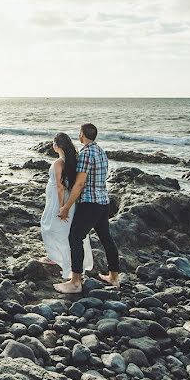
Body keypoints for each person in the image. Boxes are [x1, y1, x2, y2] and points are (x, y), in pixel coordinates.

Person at [54, 123, 120, 294]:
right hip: (104, 202)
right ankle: (114, 277)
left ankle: (75, 282)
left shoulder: (86, 154)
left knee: (75, 237)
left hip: (90, 203)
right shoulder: (100, 152)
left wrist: (66, 207)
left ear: (82, 135)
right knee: (106, 238)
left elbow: (80, 183)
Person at [39, 132, 93, 280]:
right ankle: (60, 258)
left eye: (53, 143)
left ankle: (56, 258)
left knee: (49, 225)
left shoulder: (58, 163)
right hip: (69, 198)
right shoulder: (72, 160)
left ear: (57, 145)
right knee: (64, 229)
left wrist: (62, 207)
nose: (52, 145)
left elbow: (60, 187)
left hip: (59, 199)